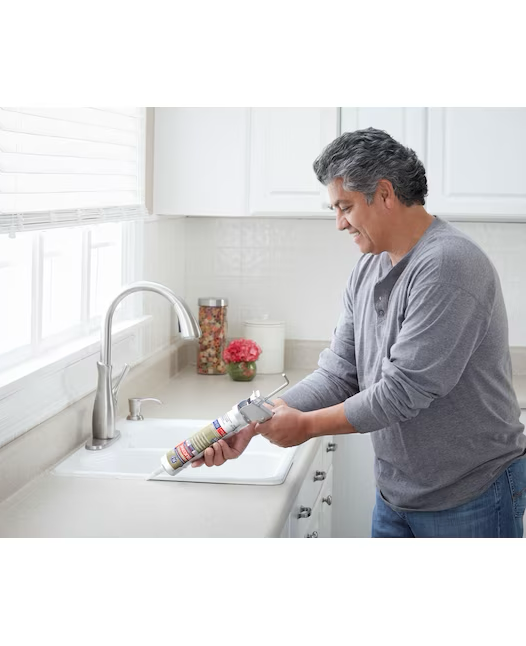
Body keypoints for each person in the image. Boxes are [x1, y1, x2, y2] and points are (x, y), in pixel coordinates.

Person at [191, 127, 526, 538]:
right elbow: (339, 373)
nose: (339, 223)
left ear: (384, 194)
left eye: (345, 207)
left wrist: (306, 425)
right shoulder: (370, 266)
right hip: (397, 494)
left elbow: (403, 391)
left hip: (471, 494)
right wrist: (254, 421)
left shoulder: (448, 264)